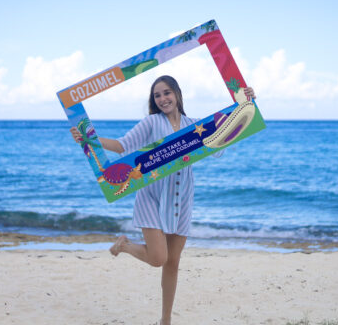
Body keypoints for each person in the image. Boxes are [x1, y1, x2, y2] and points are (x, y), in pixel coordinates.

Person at [71, 75, 255, 325]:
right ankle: (124, 246)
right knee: (159, 258)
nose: (162, 99)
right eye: (157, 95)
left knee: (173, 263)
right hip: (152, 197)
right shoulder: (151, 123)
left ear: (177, 94)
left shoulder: (194, 124)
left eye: (166, 93)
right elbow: (121, 145)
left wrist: (246, 104)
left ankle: (165, 320)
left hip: (182, 198)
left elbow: (221, 144)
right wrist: (89, 138)